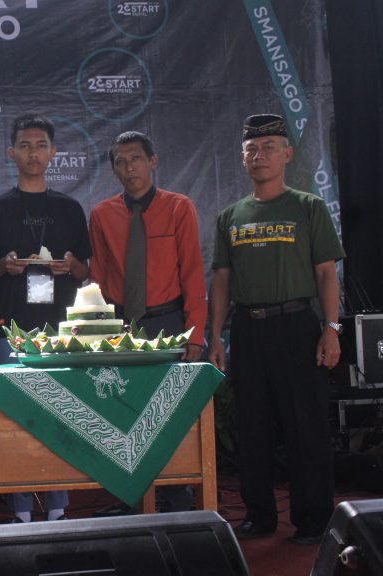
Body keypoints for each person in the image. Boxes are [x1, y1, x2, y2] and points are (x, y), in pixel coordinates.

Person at [208, 114, 344, 545]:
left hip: (298, 326)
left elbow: (326, 273)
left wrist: (331, 328)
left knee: (306, 426)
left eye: (269, 148)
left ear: (287, 154)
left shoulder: (308, 207)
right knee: (252, 426)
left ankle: (314, 518)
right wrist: (215, 335)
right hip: (248, 330)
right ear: (242, 158)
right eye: (251, 149)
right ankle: (259, 515)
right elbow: (222, 280)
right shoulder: (230, 216)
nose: (259, 155)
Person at [0, 114, 89, 523]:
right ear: (12, 153)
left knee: (59, 418)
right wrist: (2, 267)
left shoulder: (70, 209)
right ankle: (20, 510)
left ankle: (58, 507)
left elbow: (85, 272)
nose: (33, 153)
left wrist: (71, 265)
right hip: (10, 330)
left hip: (60, 332)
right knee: (16, 419)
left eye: (41, 145)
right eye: (25, 145)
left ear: (53, 152)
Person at [89, 130, 208, 513]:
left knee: (170, 416)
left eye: (136, 158)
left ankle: (177, 499)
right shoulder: (102, 214)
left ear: (153, 161)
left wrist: (196, 335)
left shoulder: (179, 207)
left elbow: (193, 273)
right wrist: (97, 332)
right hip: (123, 328)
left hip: (170, 323)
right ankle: (132, 499)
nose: (130, 168)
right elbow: (99, 278)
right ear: (114, 169)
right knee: (126, 416)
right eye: (121, 162)